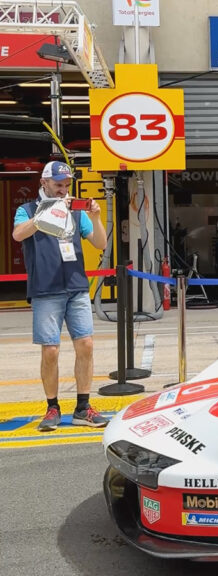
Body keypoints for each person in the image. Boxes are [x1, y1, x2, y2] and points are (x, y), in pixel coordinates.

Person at [12, 161, 109, 431]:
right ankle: (52, 407)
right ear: (44, 183)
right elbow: (18, 235)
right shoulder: (27, 210)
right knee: (51, 350)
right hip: (46, 290)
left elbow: (100, 243)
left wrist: (97, 216)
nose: (63, 190)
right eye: (58, 185)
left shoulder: (76, 212)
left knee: (86, 345)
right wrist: (47, 214)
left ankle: (83, 406)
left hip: (76, 287)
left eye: (66, 185)